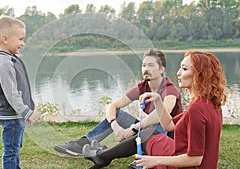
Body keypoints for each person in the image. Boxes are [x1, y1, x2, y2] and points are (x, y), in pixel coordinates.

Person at [83, 51, 227, 169]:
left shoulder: (196, 109)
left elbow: (195, 159)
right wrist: (158, 100)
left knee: (147, 135)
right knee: (148, 134)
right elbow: (168, 125)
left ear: (199, 75)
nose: (178, 73)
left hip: (186, 165)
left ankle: (101, 157)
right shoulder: (210, 103)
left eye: (184, 69)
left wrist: (155, 160)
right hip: (190, 158)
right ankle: (101, 157)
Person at [54, 48, 183, 160]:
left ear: (162, 69)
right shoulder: (142, 87)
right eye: (144, 65)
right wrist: (115, 125)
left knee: (155, 124)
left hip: (170, 138)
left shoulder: (170, 90)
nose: (146, 69)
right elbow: (112, 106)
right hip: (147, 131)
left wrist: (134, 128)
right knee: (118, 114)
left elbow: (161, 115)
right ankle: (83, 143)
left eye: (151, 65)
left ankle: (142, 154)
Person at [0, 15, 41, 169]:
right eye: (20, 39)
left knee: (15, 148)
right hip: (11, 115)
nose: (23, 43)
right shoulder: (5, 63)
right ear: (5, 39)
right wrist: (26, 112)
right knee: (11, 151)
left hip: (16, 114)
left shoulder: (10, 58)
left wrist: (25, 112)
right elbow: (11, 93)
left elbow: (20, 89)